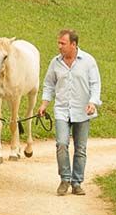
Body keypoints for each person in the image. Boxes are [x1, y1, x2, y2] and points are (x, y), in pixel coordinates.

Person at [37, 29, 101, 196]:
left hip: (82, 111)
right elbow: (49, 84)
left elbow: (95, 84)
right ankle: (65, 179)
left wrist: (93, 102)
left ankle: (77, 182)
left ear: (73, 44)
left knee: (80, 148)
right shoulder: (55, 63)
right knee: (62, 144)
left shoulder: (88, 61)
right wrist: (44, 104)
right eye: (58, 43)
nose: (59, 46)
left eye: (62, 43)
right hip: (62, 110)